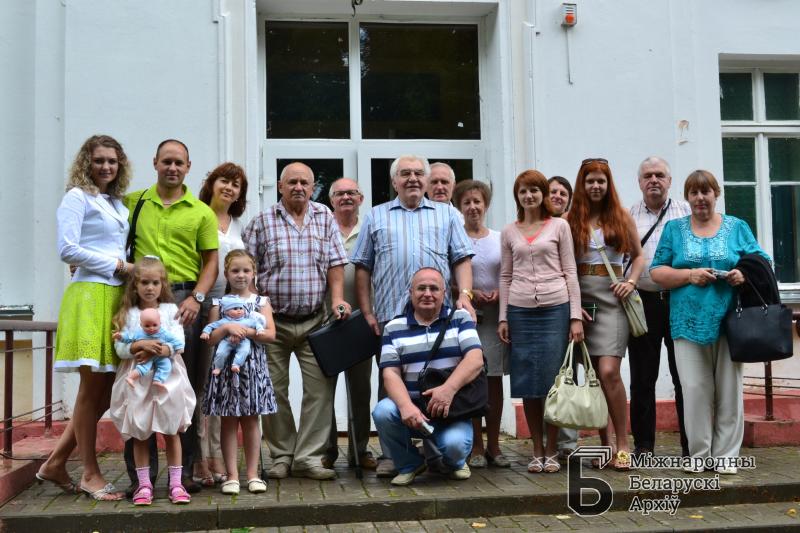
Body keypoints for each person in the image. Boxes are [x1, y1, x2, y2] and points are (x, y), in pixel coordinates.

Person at [350, 155, 475, 477]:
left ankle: (442, 448)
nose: (413, 179)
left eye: (419, 173)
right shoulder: (376, 216)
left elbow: (462, 258)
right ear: (394, 181)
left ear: (427, 179)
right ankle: (395, 456)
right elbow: (363, 267)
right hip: (392, 318)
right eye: (405, 173)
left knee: (441, 379)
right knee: (390, 386)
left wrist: (465, 294)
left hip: (439, 319)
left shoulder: (447, 214)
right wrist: (367, 311)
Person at [650, 170, 768, 474]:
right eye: (694, 192)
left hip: (731, 321)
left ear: (717, 194)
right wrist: (689, 275)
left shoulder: (736, 227)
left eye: (706, 192)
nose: (700, 198)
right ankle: (699, 455)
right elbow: (657, 271)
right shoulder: (674, 229)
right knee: (694, 390)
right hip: (686, 322)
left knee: (729, 390)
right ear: (687, 197)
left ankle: (726, 457)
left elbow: (762, 261)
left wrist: (743, 273)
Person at [122, 139, 219, 496]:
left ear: (188, 166)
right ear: (155, 163)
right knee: (139, 387)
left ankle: (185, 473)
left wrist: (197, 297)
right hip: (141, 299)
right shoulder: (134, 203)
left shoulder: (201, 212)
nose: (172, 168)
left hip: (182, 302)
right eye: (167, 161)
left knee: (182, 386)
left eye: (179, 162)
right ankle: (141, 478)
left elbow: (211, 262)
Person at [38, 135, 132, 501]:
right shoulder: (76, 197)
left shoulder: (116, 202)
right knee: (91, 391)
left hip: (114, 297)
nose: (106, 166)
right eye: (99, 160)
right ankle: (90, 474)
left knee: (106, 391)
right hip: (90, 295)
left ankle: (55, 462)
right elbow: (67, 249)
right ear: (86, 163)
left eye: (112, 161)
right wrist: (118, 265)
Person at [243, 162, 349, 481]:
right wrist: (254, 309)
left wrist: (337, 299)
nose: (298, 187)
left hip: (316, 320)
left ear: (313, 187)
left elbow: (335, 264)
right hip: (272, 323)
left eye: (304, 182)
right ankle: (282, 455)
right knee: (274, 390)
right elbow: (246, 270)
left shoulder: (325, 217)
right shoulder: (261, 222)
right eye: (292, 182)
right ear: (280, 186)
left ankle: (308, 457)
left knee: (320, 391)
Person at [497, 170, 583, 474]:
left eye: (534, 190)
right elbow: (505, 275)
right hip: (520, 312)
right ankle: (536, 448)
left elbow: (570, 271)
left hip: (555, 309)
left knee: (553, 382)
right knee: (528, 382)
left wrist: (575, 316)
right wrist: (503, 316)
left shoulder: (559, 226)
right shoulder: (509, 231)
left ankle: (552, 449)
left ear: (543, 194)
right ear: (517, 196)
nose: (529, 195)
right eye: (523, 191)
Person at [372, 267, 484, 486]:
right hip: (413, 409)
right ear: (410, 292)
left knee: (455, 446)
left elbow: (475, 359)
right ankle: (410, 464)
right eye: (421, 288)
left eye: (434, 288)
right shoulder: (394, 327)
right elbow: (390, 373)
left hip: (452, 409)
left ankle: (453, 463)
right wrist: (405, 406)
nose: (427, 294)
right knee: (383, 411)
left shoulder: (460, 318)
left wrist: (447, 390)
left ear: (444, 293)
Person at [566, 158, 644, 470]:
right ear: (582, 185)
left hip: (613, 303)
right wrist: (573, 308)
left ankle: (623, 444)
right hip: (582, 305)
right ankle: (605, 445)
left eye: (601, 181)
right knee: (594, 377)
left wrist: (631, 281)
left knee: (609, 371)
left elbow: (638, 257)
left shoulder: (621, 216)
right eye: (590, 181)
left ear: (608, 184)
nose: (596, 186)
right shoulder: (570, 220)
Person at [109, 257, 196, 505]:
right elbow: (121, 348)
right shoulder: (129, 314)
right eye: (144, 283)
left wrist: (160, 349)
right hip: (137, 379)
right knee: (140, 432)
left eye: (155, 283)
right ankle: (144, 485)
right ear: (135, 285)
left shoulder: (170, 311)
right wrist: (139, 345)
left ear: (163, 284)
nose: (150, 288)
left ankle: (176, 483)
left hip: (167, 378)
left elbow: (179, 342)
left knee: (172, 430)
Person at [627, 157, 691, 458]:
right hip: (644, 303)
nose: (654, 180)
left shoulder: (686, 212)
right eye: (648, 175)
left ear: (669, 180)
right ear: (639, 182)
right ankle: (643, 446)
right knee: (642, 378)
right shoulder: (628, 215)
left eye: (660, 175)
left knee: (686, 377)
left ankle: (692, 445)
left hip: (681, 302)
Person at [202, 250, 277, 494]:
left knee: (252, 420)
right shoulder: (218, 303)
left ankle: (253, 475)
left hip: (252, 369)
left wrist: (247, 332)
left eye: (246, 270)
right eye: (235, 271)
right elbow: (211, 339)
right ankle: (232, 476)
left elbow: (270, 334)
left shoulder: (261, 302)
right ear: (226, 274)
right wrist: (227, 328)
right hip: (225, 371)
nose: (241, 275)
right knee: (228, 421)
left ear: (254, 273)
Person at [195, 161, 249, 485]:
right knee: (202, 385)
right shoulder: (197, 216)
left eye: (235, 184)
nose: (229, 188)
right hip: (203, 310)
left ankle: (217, 455)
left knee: (221, 384)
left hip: (231, 313)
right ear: (211, 184)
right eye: (224, 181)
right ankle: (200, 457)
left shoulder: (239, 225)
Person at [452, 180, 510, 469]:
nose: (473, 207)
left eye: (477, 201)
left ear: (486, 205)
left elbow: (509, 274)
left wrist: (500, 293)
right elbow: (448, 280)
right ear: (459, 207)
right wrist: (468, 294)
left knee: (494, 380)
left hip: (495, 319)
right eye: (467, 202)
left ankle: (494, 445)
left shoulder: (500, 238)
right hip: (467, 319)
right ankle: (476, 443)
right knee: (471, 380)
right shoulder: (455, 238)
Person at [322, 178, 377, 471]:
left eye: (351, 193)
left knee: (360, 389)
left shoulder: (369, 229)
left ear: (361, 198)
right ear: (331, 200)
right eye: (339, 193)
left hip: (360, 321)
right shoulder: (322, 228)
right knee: (324, 390)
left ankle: (360, 449)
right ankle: (327, 450)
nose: (345, 197)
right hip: (325, 320)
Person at [545, 175, 579, 461]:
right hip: (544, 309)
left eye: (563, 193)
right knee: (547, 375)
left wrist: (575, 313)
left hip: (572, 308)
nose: (557, 196)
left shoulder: (574, 227)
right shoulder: (534, 225)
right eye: (552, 191)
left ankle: (567, 441)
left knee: (568, 374)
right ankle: (548, 441)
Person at [115, 307, 184, 388]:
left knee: (166, 365)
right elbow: (128, 337)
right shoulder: (139, 333)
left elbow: (174, 339)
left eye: (155, 325)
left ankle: (158, 380)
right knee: (142, 368)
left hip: (160, 356)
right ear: (141, 325)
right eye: (147, 326)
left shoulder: (164, 333)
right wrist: (120, 337)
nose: (151, 328)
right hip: (145, 356)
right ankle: (131, 377)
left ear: (160, 323)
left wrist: (179, 347)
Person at [202, 295, 267, 375]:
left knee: (245, 350)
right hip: (227, 341)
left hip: (243, 340)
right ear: (226, 312)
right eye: (235, 309)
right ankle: (218, 367)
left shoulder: (246, 321)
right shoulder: (224, 321)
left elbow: (256, 323)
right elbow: (211, 326)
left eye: (241, 308)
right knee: (221, 352)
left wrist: (260, 329)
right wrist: (205, 332)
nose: (239, 311)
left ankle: (236, 364)